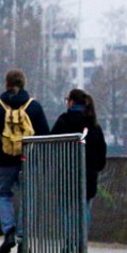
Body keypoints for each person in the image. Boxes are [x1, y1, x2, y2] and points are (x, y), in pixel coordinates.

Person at [0, 68, 50, 253]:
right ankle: (23, 238)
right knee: (27, 196)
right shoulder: (33, 106)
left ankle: (8, 231)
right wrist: (35, 156)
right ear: (23, 83)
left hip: (3, 162)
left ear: (6, 84)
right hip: (27, 160)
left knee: (4, 194)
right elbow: (45, 134)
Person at [48, 87, 108, 235]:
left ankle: (70, 241)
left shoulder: (64, 120)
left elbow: (50, 143)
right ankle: (82, 242)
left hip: (66, 172)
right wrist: (96, 167)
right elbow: (102, 149)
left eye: (67, 100)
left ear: (72, 102)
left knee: (66, 208)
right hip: (88, 173)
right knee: (85, 207)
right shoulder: (93, 123)